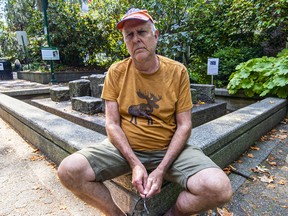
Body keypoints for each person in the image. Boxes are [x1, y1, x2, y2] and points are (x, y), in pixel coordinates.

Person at [57, 8, 232, 216]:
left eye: (142, 32)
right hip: (124, 149)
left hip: (169, 150)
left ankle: (172, 214)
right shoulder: (116, 72)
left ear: (155, 36)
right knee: (68, 171)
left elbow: (185, 125)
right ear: (125, 42)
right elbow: (112, 124)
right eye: (129, 35)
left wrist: (161, 169)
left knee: (219, 188)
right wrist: (135, 163)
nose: (136, 39)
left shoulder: (177, 72)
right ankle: (116, 214)